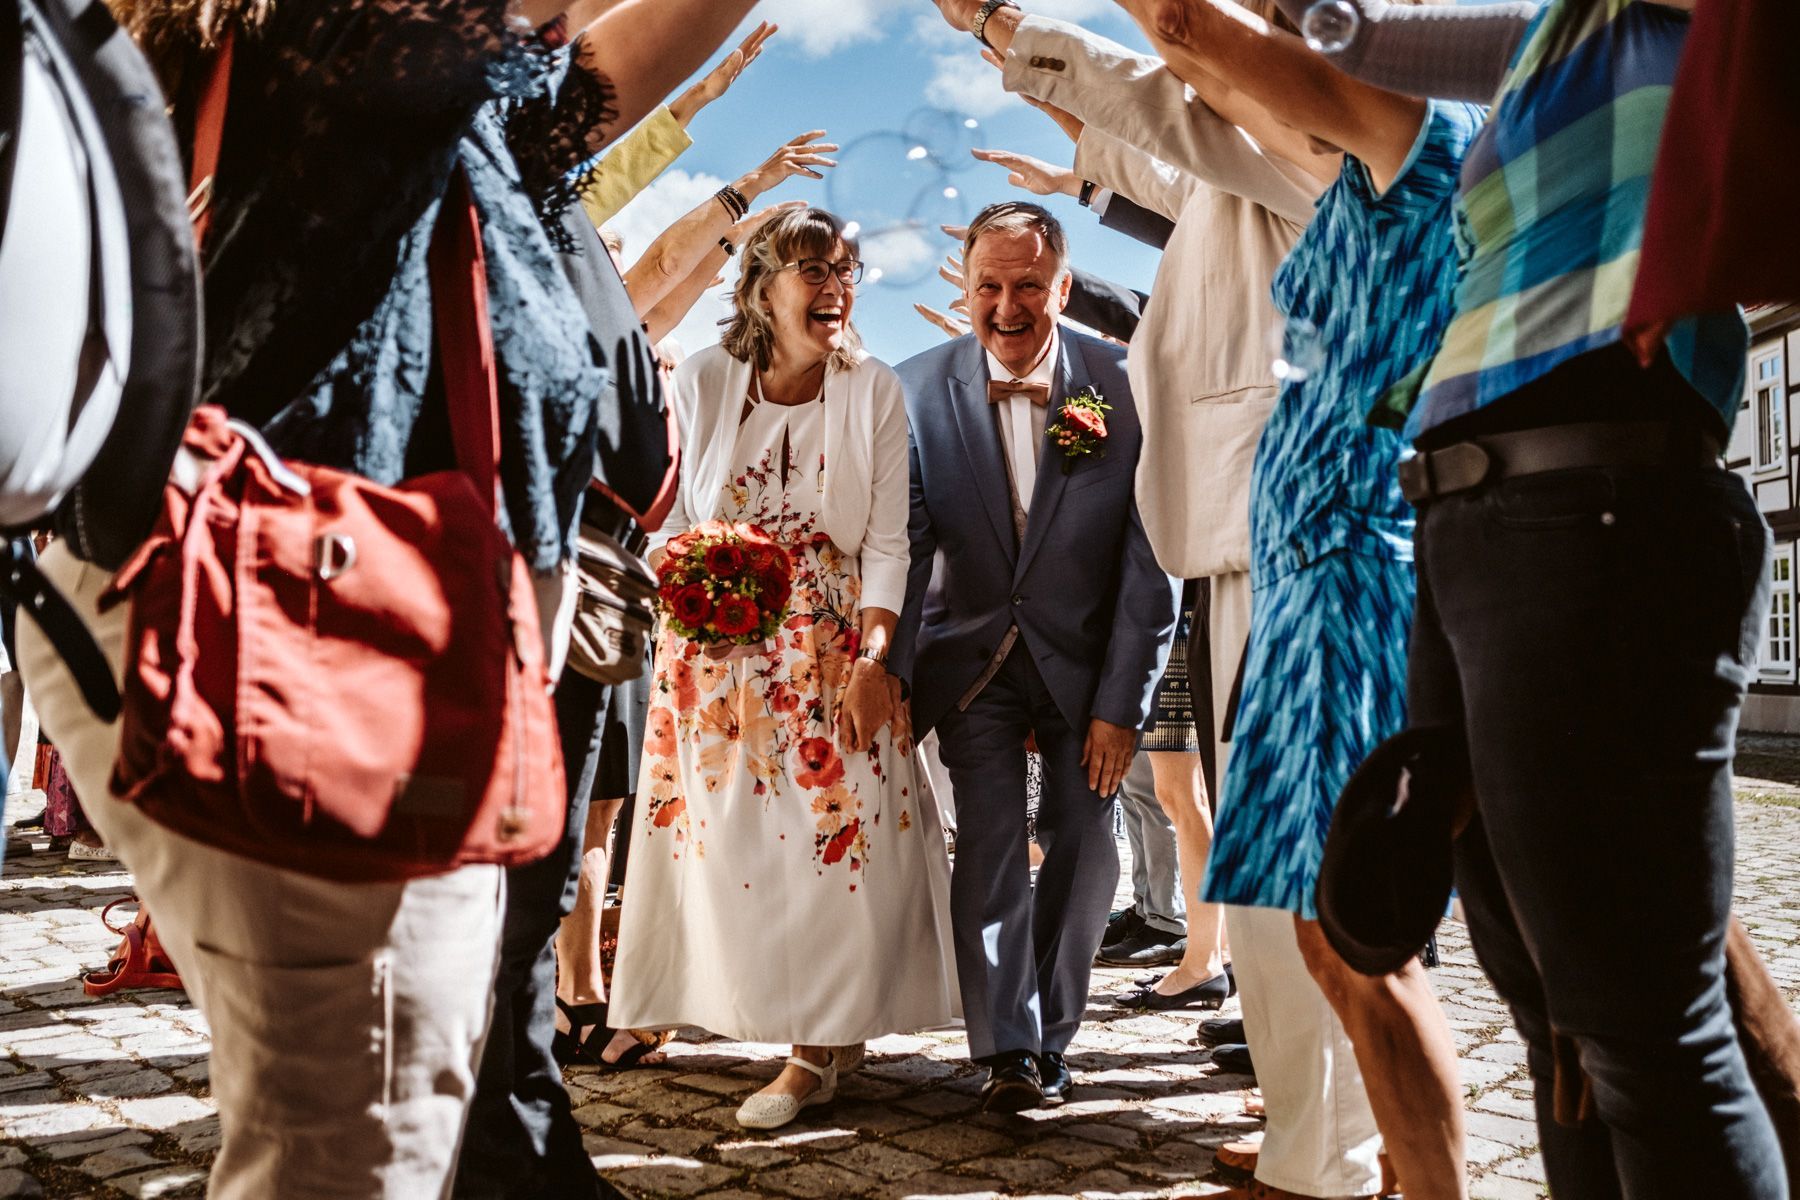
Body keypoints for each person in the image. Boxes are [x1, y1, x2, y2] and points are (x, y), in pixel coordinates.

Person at [17, 1, 764, 1195]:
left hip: (376, 631)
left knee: (372, 1125)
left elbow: (604, 75)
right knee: (353, 1149)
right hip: (327, 629)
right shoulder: (366, 49)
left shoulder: (442, 100)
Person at [1268, 0, 1788, 1194]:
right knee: (1557, 1017)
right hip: (1476, 520)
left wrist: (1712, 241)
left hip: (1597, 500)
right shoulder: (1556, 29)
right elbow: (1347, 33)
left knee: (1642, 1024)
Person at [607, 207, 959, 1132]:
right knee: (730, 838)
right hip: (716, 643)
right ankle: (712, 1001)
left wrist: (875, 659)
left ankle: (817, 1047)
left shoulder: (871, 386)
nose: (834, 284)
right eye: (812, 268)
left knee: (827, 836)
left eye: (845, 267)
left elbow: (888, 543)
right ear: (763, 287)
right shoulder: (709, 377)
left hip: (830, 637)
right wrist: (690, 596)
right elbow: (676, 519)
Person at [890, 200, 1179, 1113]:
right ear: (964, 286)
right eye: (989, 285)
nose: (1006, 307)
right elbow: (901, 545)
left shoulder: (1125, 383)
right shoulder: (911, 385)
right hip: (970, 663)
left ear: (1062, 286)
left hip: (1088, 668)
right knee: (988, 847)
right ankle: (1007, 1049)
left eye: (1027, 286)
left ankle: (1056, 1033)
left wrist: (1120, 704)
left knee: (1086, 843)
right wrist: (890, 669)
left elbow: (1150, 555)